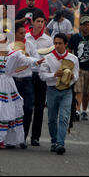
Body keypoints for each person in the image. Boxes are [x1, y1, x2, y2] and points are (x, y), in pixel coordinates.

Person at [39, 33, 79, 155]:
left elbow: (76, 75)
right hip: (52, 90)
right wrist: (54, 75)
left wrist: (72, 77)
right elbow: (42, 75)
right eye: (55, 43)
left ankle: (60, 143)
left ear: (66, 44)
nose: (57, 46)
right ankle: (54, 141)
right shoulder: (48, 58)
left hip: (66, 91)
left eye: (60, 43)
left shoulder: (73, 58)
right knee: (52, 118)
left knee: (63, 117)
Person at [25, 9, 54, 147]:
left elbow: (49, 59)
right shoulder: (25, 37)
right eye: (38, 21)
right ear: (33, 22)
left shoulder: (48, 40)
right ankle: (22, 135)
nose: (40, 24)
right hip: (28, 74)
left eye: (42, 22)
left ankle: (35, 137)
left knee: (39, 108)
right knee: (26, 107)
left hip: (41, 76)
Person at [10, 23, 38, 146]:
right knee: (11, 110)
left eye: (24, 33)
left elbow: (36, 60)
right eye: (20, 33)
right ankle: (9, 138)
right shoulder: (9, 45)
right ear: (15, 33)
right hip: (12, 81)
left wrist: (29, 59)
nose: (23, 35)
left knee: (27, 109)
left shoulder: (30, 45)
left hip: (27, 80)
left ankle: (23, 137)